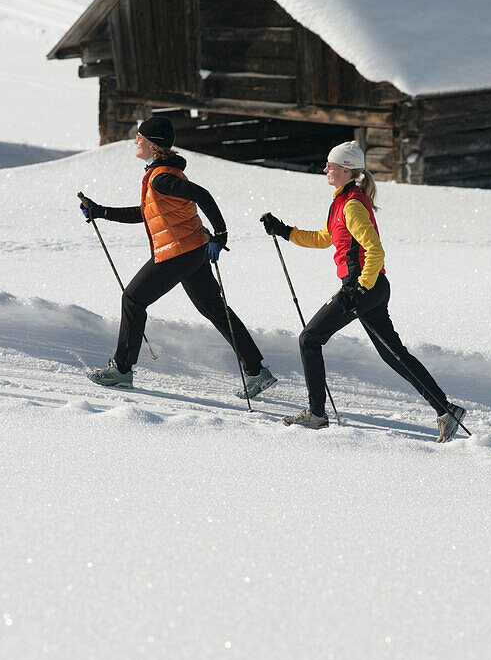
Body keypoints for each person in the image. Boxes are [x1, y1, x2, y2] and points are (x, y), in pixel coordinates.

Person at [260, 140, 465, 441]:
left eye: (330, 165)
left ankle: (317, 413)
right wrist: (285, 230)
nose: (325, 169)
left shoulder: (353, 205)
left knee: (309, 338)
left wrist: (358, 289)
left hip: (364, 288)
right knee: (393, 354)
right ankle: (446, 410)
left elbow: (375, 251)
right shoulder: (343, 202)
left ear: (345, 169)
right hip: (371, 288)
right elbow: (323, 238)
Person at [79, 115, 276, 398]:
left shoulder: (162, 179)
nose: (136, 141)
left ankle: (121, 370)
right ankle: (257, 371)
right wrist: (101, 211)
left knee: (133, 299)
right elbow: (146, 213)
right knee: (214, 309)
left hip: (179, 251)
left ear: (154, 145)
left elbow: (203, 195)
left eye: (140, 138)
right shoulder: (160, 175)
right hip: (193, 249)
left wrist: (221, 235)